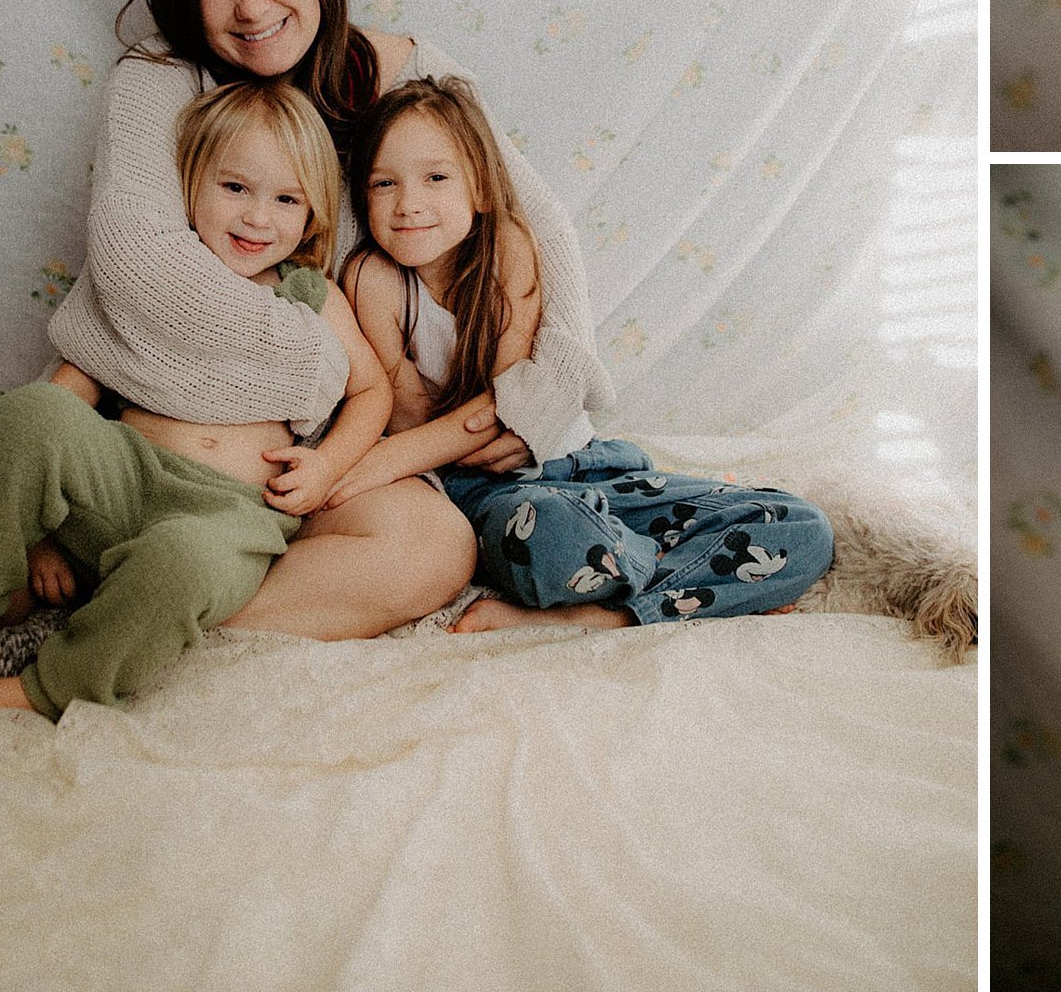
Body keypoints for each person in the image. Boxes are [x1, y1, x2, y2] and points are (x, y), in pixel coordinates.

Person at [0, 0, 615, 643]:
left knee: (433, 549)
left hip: (307, 460)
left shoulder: (403, 74)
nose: (251, 8)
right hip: (150, 430)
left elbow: (536, 218)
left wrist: (548, 387)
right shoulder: (160, 80)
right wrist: (328, 364)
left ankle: (135, 614)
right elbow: (137, 268)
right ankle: (115, 564)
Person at [0, 82, 392, 717]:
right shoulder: (156, 273)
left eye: (286, 200)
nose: (258, 217)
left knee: (182, 564)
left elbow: (371, 389)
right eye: (235, 188)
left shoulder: (310, 295)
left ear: (313, 216)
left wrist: (330, 463)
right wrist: (41, 531)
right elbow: (69, 392)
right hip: (118, 482)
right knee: (30, 412)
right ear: (190, 185)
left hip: (225, 515)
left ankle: (54, 685)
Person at [330, 74, 834, 631]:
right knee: (555, 537)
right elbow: (417, 422)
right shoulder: (372, 280)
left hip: (584, 463)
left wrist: (378, 462)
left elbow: (506, 403)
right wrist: (474, 426)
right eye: (384, 184)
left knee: (802, 529)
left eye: (436, 177)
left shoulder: (507, 247)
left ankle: (604, 613)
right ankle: (695, 583)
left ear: (478, 189)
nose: (409, 204)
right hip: (493, 498)